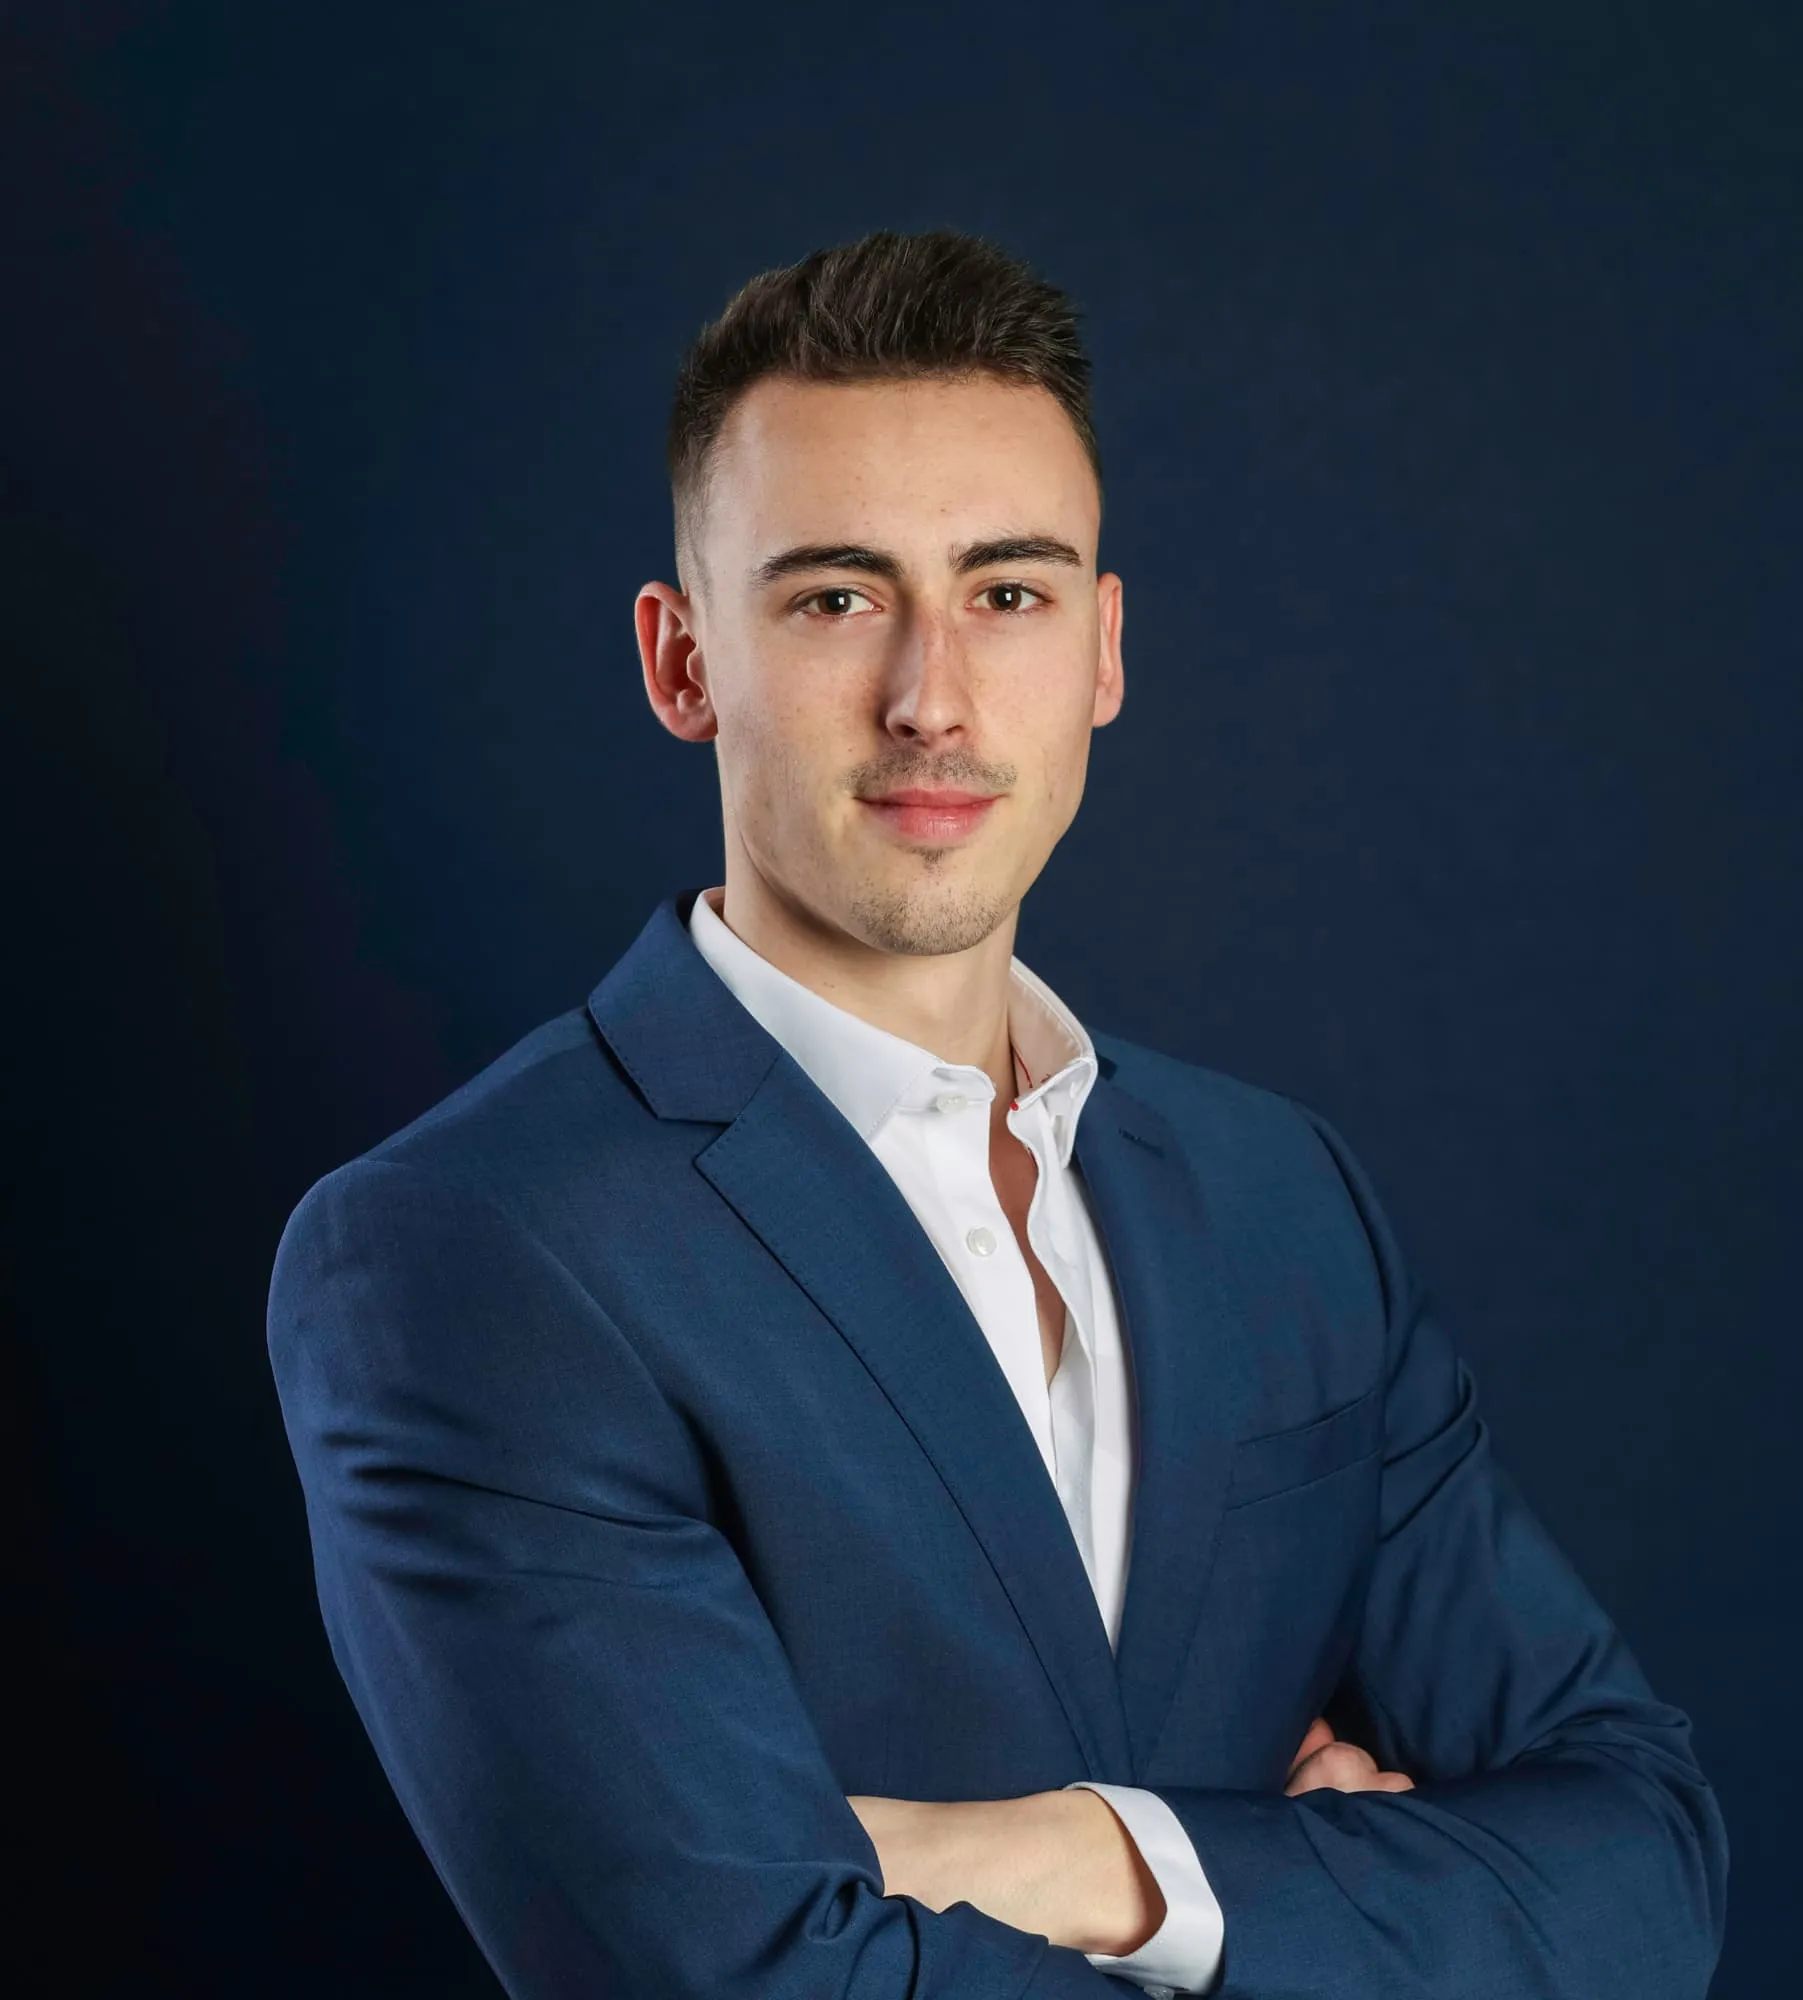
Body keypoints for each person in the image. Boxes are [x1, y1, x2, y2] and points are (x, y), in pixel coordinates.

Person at [269, 228, 1727, 1998]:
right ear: (681, 664)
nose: (931, 699)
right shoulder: (469, 1252)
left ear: (1102, 649)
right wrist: (1354, 1899)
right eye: (833, 598)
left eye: (1008, 592)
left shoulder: (1284, 1205)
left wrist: (1097, 1862)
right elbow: (741, 1977)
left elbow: (1645, 1868)